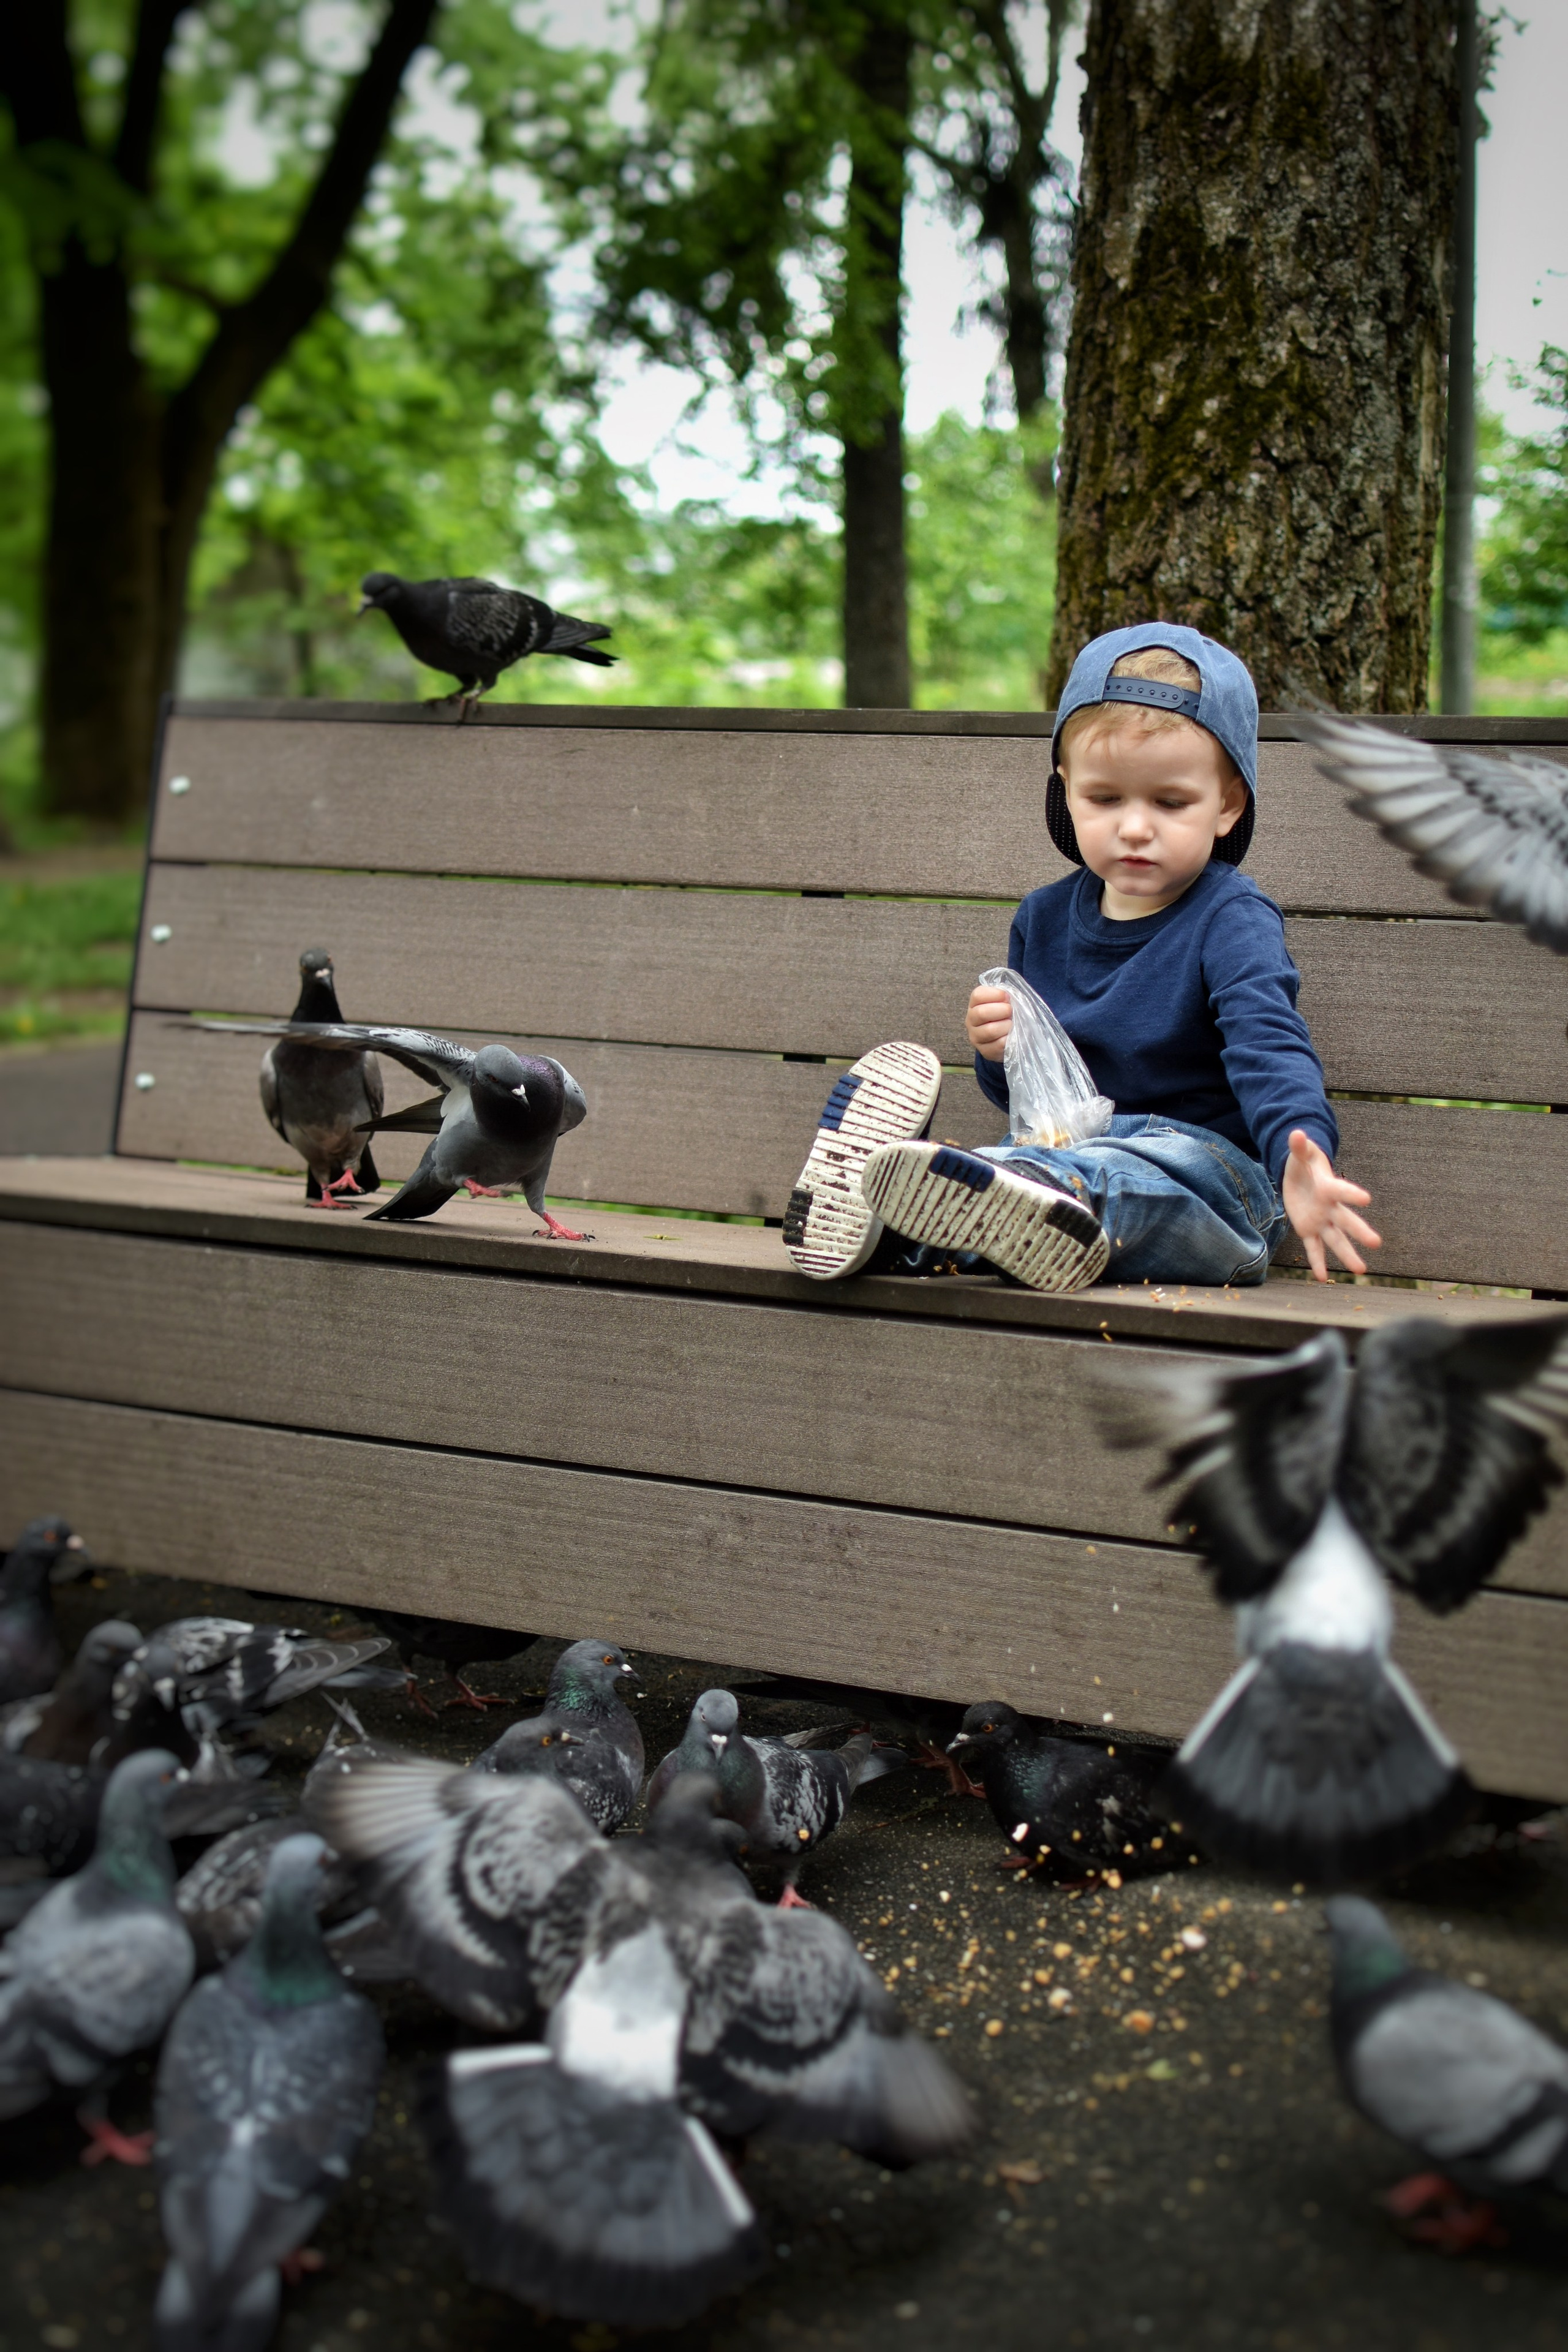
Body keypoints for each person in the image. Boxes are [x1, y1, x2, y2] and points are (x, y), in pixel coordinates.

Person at [783, 624, 1380, 1295]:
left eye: (1170, 802)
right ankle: (893, 1227)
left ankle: (990, 1195)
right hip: (1065, 1151)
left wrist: (1300, 1152)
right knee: (1024, 1171)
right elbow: (1035, 1095)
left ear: (1227, 805)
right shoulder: (1042, 917)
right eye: (1104, 798)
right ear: (1065, 791)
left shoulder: (1230, 918)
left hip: (1212, 1183)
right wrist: (998, 1050)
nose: (1133, 826)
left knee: (1102, 1181)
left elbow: (1268, 1044)